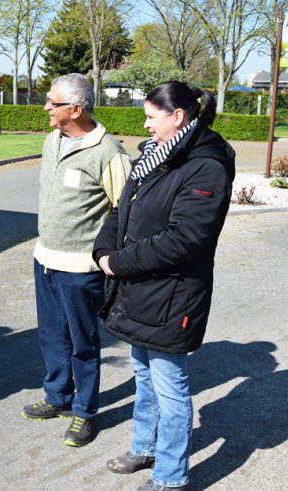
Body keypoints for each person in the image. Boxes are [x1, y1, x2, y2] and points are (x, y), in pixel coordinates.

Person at [93, 81, 235, 491]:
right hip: (139, 288)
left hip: (173, 296)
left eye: (151, 116)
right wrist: (103, 249)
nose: (144, 123)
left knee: (170, 386)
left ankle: (171, 477)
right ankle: (145, 446)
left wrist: (117, 263)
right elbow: (122, 209)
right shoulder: (155, 158)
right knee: (142, 373)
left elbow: (185, 239)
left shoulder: (205, 166)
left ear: (178, 117)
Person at [21, 74, 130, 447]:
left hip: (81, 268)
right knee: (52, 336)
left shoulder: (108, 152)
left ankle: (85, 412)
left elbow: (125, 212)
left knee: (83, 343)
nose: (46, 107)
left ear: (76, 109)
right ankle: (57, 397)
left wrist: (108, 259)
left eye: (53, 102)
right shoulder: (52, 140)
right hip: (45, 259)